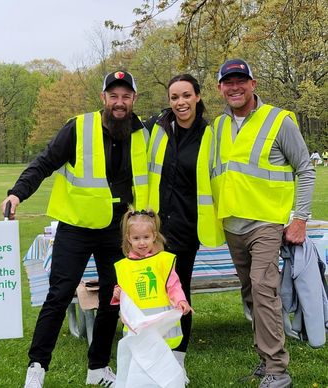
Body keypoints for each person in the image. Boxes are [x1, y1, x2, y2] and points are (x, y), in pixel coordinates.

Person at [0, 70, 149, 388]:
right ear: (103, 98)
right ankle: (37, 367)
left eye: (125, 96)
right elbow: (44, 162)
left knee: (112, 298)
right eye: (114, 96)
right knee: (59, 295)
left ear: (134, 99)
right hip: (76, 227)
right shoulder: (78, 128)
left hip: (117, 229)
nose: (119, 102)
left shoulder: (142, 134)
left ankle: (98, 369)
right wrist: (17, 193)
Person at [201, 59, 315, 387]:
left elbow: (305, 170)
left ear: (253, 84)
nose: (234, 87)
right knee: (252, 293)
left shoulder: (278, 121)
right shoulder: (218, 127)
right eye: (228, 82)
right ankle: (266, 360)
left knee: (264, 290)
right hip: (232, 226)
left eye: (241, 81)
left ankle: (278, 371)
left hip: (266, 224)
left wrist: (300, 219)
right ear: (220, 88)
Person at [145, 74, 213, 380]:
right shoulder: (157, 128)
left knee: (179, 292)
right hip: (153, 228)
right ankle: (150, 355)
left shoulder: (210, 134)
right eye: (174, 97)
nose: (180, 102)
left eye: (186, 95)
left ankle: (178, 357)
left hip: (186, 227)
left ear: (197, 97)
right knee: (149, 292)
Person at [111, 208, 193, 383]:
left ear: (154, 236)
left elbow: (174, 285)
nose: (142, 243)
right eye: (136, 238)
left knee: (162, 359)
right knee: (139, 361)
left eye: (146, 237)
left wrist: (181, 300)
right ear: (128, 239)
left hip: (160, 326)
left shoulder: (162, 261)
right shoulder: (124, 266)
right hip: (138, 326)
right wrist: (118, 294)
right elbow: (125, 291)